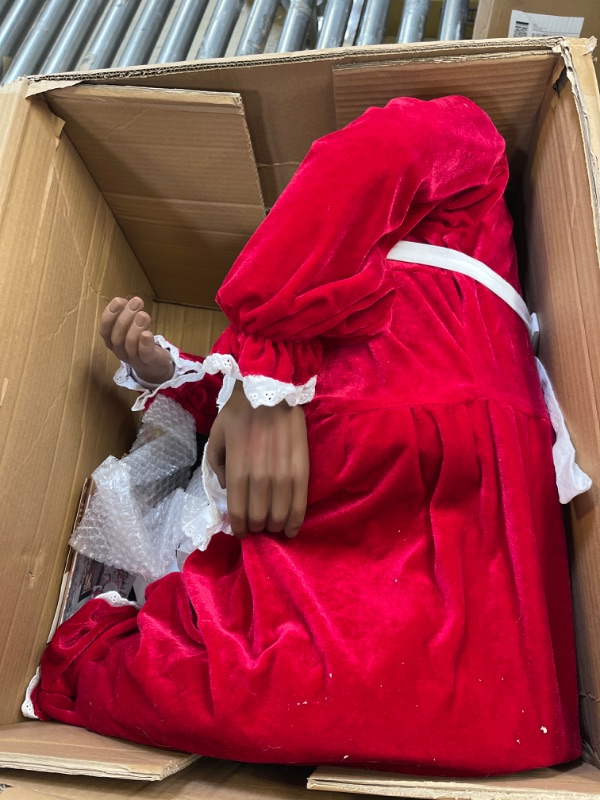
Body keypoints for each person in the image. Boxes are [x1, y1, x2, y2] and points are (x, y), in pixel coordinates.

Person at [25, 95, 583, 776]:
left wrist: (266, 358)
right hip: (398, 519)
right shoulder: (461, 183)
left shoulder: (465, 171)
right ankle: (103, 649)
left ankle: (98, 650)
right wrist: (177, 368)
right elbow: (237, 400)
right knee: (500, 722)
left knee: (486, 721)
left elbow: (379, 149)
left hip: (408, 482)